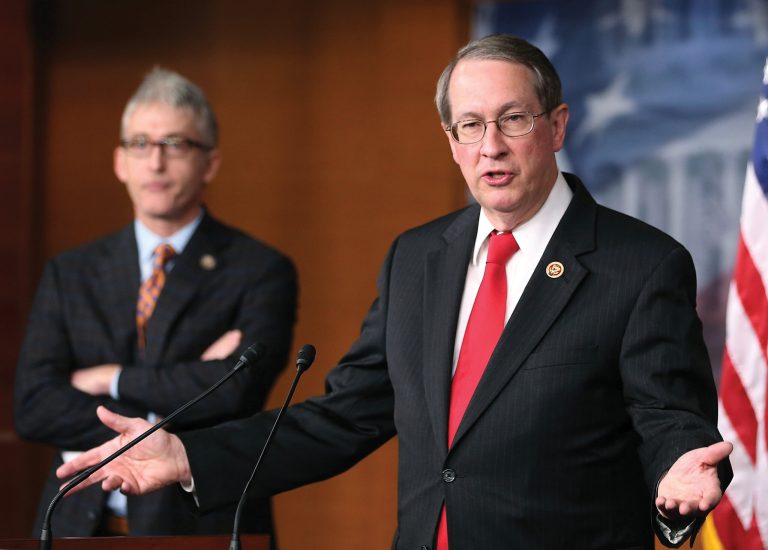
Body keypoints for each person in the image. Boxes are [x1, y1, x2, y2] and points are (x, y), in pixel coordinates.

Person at [57, 36, 732, 549]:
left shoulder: (639, 265)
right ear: (451, 141)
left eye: (513, 120)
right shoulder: (417, 259)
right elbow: (345, 415)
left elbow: (669, 420)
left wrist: (679, 482)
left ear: (556, 126)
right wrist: (187, 455)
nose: (490, 146)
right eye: (470, 125)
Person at [14, 67, 297, 539]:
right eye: (140, 144)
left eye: (176, 144)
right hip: (78, 523)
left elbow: (233, 392)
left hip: (203, 526)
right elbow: (33, 405)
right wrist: (184, 389)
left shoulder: (260, 269)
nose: (156, 162)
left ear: (210, 163)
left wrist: (110, 378)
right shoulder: (71, 271)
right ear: (120, 162)